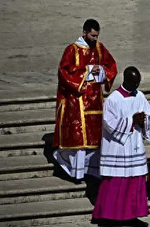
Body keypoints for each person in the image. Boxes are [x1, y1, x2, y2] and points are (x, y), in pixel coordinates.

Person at [53, 19, 117, 181]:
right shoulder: (71, 50)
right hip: (77, 101)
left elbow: (111, 66)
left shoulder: (100, 48)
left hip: (95, 100)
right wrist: (87, 71)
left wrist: (101, 70)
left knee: (95, 139)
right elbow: (64, 73)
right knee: (79, 139)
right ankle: (76, 172)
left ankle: (92, 172)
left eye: (97, 36)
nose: (95, 39)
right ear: (84, 32)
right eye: (92, 35)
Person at [91, 67, 150, 227]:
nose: (137, 86)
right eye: (134, 82)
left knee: (135, 183)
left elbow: (148, 112)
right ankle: (108, 217)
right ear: (126, 80)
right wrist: (131, 121)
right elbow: (108, 123)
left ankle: (132, 216)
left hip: (134, 146)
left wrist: (144, 119)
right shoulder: (113, 99)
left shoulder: (140, 96)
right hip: (118, 148)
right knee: (115, 183)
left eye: (138, 82)